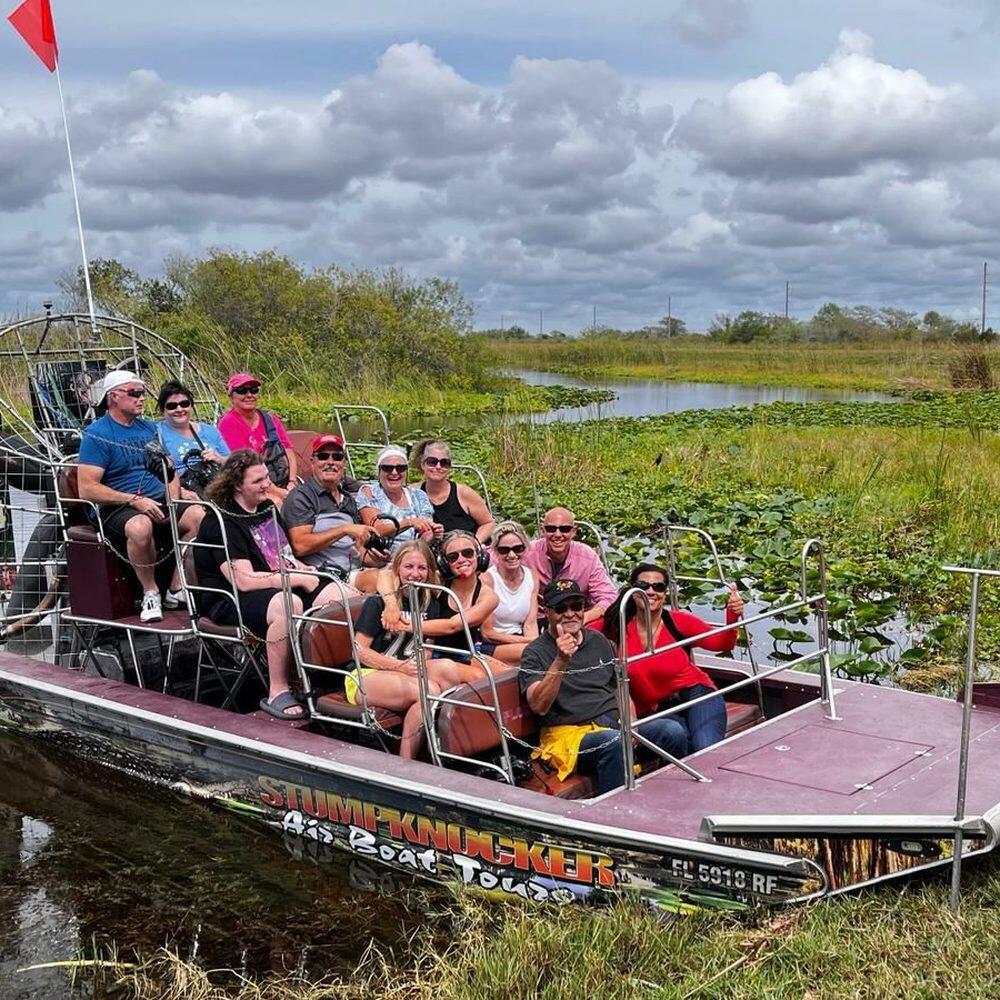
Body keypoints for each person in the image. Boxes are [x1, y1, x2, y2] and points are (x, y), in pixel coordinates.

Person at [194, 449, 346, 720]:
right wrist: (297, 579)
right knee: (289, 603)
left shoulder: (266, 508)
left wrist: (305, 570)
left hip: (276, 581)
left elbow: (283, 556)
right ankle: (278, 689)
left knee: (339, 592)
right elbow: (243, 579)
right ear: (237, 485)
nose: (267, 484)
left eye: (266, 477)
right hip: (230, 598)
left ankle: (327, 675)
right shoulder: (220, 522)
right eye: (258, 481)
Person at [519, 579, 689, 796]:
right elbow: (538, 705)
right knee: (613, 742)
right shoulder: (535, 652)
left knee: (671, 731)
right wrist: (560, 661)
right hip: (569, 736)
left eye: (576, 607)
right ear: (548, 612)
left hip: (613, 724)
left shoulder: (599, 640)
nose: (570, 613)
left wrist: (632, 723)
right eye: (561, 608)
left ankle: (670, 798)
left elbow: (620, 688)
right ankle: (617, 812)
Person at [76, 370, 204, 623]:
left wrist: (173, 496)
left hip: (156, 497)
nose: (142, 398)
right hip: (117, 504)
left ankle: (176, 587)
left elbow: (169, 469)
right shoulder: (97, 434)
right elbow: (87, 488)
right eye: (135, 393)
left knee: (199, 515)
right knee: (140, 526)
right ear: (113, 396)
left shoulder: (148, 428)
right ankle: (150, 591)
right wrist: (135, 501)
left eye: (143, 393)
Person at [604, 563, 745, 753]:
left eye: (658, 587)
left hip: (697, 694)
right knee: (680, 742)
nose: (651, 591)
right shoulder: (617, 625)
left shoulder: (679, 621)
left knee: (704, 749)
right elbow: (578, 628)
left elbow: (722, 644)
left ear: (665, 593)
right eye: (643, 586)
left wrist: (732, 616)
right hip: (656, 710)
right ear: (632, 590)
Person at [352, 541, 472, 759]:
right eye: (409, 567)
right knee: (431, 690)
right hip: (367, 675)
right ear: (397, 568)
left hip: (405, 671)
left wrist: (411, 668)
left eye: (422, 568)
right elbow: (359, 651)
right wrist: (399, 667)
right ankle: (405, 762)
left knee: (448, 670)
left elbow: (427, 648)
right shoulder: (379, 602)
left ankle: (440, 748)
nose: (415, 574)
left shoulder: (430, 602)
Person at [283, 433, 383, 584]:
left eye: (337, 457)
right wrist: (344, 529)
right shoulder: (301, 497)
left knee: (404, 573)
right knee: (380, 580)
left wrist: (377, 560)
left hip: (355, 570)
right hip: (324, 576)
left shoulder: (348, 499)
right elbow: (300, 546)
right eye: (323, 456)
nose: (330, 462)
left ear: (343, 463)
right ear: (312, 462)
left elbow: (356, 549)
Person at [523, 507, 617, 625]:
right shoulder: (527, 552)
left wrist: (584, 618)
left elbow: (609, 596)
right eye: (551, 529)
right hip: (540, 619)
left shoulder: (587, 556)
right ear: (543, 531)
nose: (558, 534)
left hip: (578, 618)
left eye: (565, 529)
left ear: (574, 532)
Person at [217, 372, 296, 505]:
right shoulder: (228, 424)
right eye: (242, 391)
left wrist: (292, 482)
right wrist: (278, 492)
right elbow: (246, 466)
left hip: (282, 481)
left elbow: (289, 452)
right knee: (276, 502)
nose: (249, 395)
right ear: (231, 396)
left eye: (253, 390)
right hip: (250, 486)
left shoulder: (271, 419)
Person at [358, 446, 441, 552]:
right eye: (387, 468)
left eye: (400, 468)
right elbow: (377, 530)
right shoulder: (370, 493)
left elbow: (426, 535)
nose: (394, 472)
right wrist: (408, 522)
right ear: (378, 471)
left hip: (415, 554)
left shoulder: (419, 496)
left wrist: (433, 534)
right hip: (383, 556)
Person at [155, 379, 229, 495]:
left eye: (184, 404)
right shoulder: (156, 433)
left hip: (215, 483)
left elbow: (234, 463)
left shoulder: (209, 431)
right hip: (183, 489)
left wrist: (218, 458)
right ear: (162, 410)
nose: (179, 409)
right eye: (172, 406)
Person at [413, 438, 495, 542]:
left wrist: (474, 544)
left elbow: (488, 523)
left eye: (444, 463)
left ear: (450, 467)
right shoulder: (412, 493)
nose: (438, 467)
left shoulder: (464, 493)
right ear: (423, 464)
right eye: (432, 462)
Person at [481, 520, 538, 665]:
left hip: (521, 639)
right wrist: (528, 642)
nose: (512, 555)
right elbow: (487, 633)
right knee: (533, 652)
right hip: (492, 643)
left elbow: (530, 624)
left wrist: (535, 642)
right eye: (504, 550)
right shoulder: (487, 580)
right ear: (495, 551)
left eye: (517, 549)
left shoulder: (532, 577)